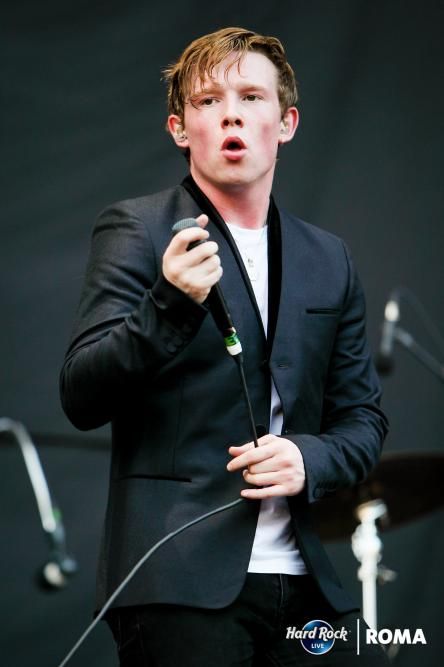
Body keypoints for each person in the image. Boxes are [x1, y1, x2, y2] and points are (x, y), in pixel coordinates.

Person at [60, 27, 389, 666]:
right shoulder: (138, 230)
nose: (231, 114)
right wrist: (169, 302)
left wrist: (309, 457)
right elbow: (81, 393)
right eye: (209, 101)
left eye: (251, 97)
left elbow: (363, 419)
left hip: (306, 581)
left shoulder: (329, 259)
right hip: (178, 583)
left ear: (286, 123)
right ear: (180, 129)